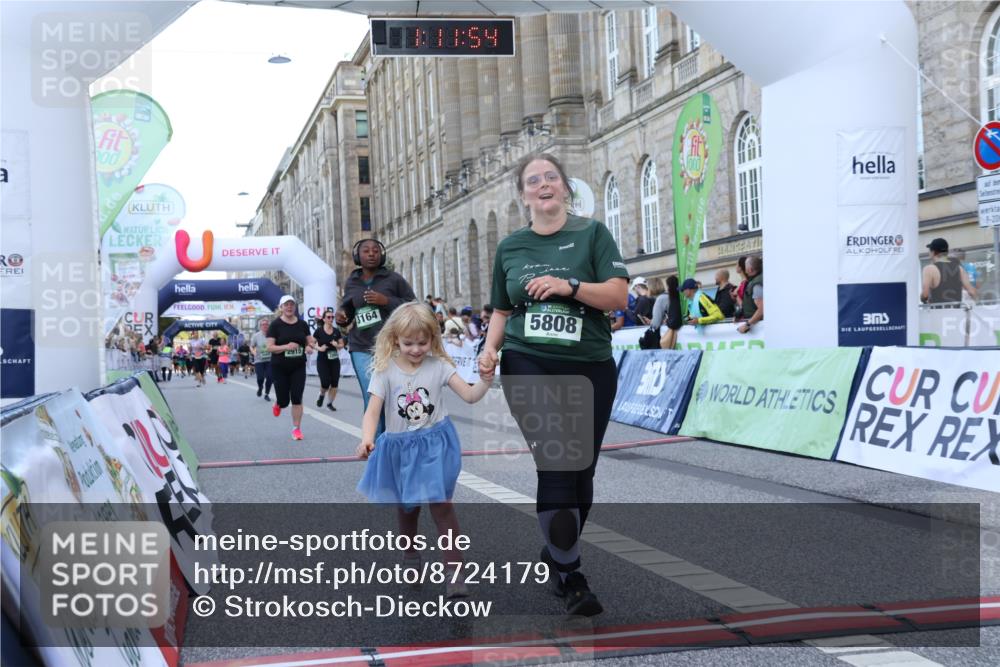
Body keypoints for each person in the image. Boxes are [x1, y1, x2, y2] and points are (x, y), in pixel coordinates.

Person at [478, 152, 629, 617]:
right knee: (558, 461)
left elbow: (618, 296)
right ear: (523, 194)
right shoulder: (511, 247)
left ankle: (556, 552)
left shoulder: (592, 234)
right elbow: (502, 309)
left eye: (551, 177)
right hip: (529, 362)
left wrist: (569, 286)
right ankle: (571, 576)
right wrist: (489, 349)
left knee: (582, 477)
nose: (543, 184)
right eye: (532, 180)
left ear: (564, 188)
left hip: (590, 364)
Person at [356, 303, 491, 599]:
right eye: (408, 343)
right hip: (400, 448)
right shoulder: (385, 370)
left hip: (434, 446)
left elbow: (469, 395)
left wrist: (485, 381)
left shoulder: (440, 366)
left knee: (442, 507)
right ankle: (411, 558)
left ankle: (455, 572)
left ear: (433, 338)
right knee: (407, 509)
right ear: (395, 340)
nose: (416, 349)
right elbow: (372, 411)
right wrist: (367, 438)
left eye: (422, 342)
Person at [336, 238, 417, 437]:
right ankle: (375, 445)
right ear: (357, 256)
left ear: (381, 254)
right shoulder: (352, 281)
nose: (371, 254)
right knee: (373, 396)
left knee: (396, 397)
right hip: (361, 347)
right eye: (366, 251)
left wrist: (386, 301)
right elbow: (347, 310)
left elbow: (413, 306)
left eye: (375, 250)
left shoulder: (394, 279)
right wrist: (342, 317)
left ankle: (398, 438)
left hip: (393, 348)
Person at [268, 295, 316, 441]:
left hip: (298, 366)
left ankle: (296, 429)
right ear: (281, 308)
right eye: (286, 305)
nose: (289, 307)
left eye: (292, 305)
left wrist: (309, 347)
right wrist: (286, 346)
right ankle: (278, 403)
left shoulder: (302, 324)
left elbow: (311, 341)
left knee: (296, 397)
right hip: (279, 367)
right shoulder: (275, 325)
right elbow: (270, 347)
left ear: (295, 307)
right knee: (284, 401)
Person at [921, 238, 976, 305]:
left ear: (933, 252)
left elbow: (925, 294)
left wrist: (922, 299)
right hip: (957, 313)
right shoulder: (959, 268)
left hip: (937, 313)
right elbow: (972, 292)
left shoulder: (929, 269)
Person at [313, 308, 343, 411]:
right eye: (329, 317)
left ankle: (330, 403)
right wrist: (319, 348)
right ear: (324, 319)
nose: (331, 319)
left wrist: (337, 345)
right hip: (322, 360)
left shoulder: (336, 331)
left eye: (332, 317)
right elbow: (312, 343)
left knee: (334, 384)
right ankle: (321, 395)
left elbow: (342, 344)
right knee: (325, 382)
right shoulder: (319, 331)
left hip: (334, 360)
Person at [737, 255, 764, 334]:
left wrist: (747, 324)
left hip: (759, 329)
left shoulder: (756, 284)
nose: (745, 271)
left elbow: (762, 309)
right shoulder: (756, 281)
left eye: (745, 268)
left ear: (750, 269)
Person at [250, 317, 273, 401]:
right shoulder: (256, 336)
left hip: (270, 360)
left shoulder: (272, 335)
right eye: (263, 325)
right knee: (260, 378)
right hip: (259, 360)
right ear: (260, 326)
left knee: (270, 377)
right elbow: (251, 346)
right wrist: (253, 352)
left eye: (267, 324)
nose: (265, 326)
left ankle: (267, 394)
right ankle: (260, 387)